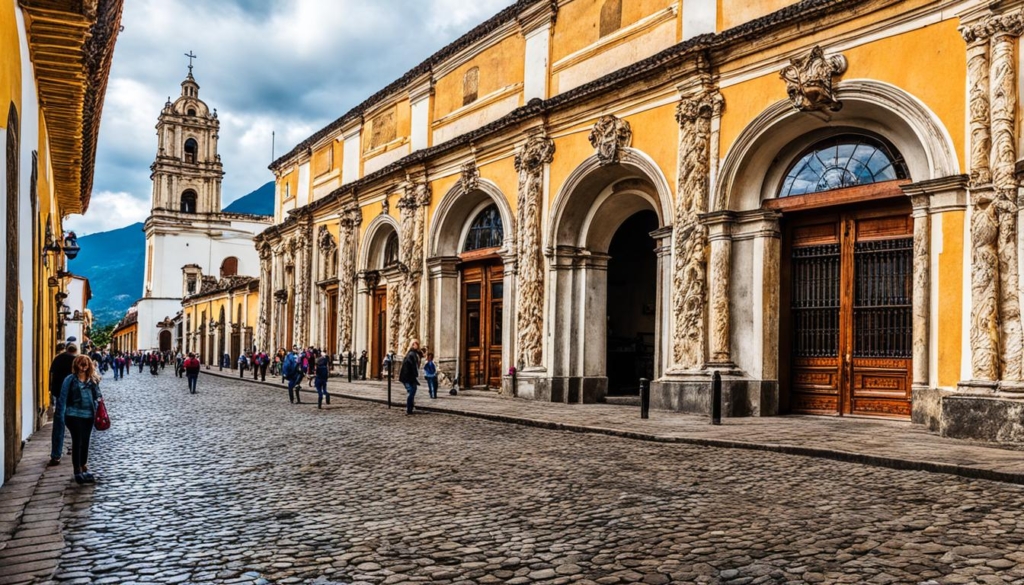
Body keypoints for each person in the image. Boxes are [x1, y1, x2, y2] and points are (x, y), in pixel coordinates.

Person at [56, 355, 102, 484]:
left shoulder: (92, 380)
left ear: (89, 366)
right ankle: (77, 470)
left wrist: (99, 402)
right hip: (73, 415)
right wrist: (60, 415)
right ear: (76, 365)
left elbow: (98, 395)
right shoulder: (70, 380)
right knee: (77, 441)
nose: (83, 367)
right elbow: (63, 397)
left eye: (85, 364)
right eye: (81, 364)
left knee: (86, 441)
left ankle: (83, 466)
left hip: (88, 415)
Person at [47, 342, 77, 466]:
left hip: (59, 395)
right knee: (76, 425)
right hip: (73, 397)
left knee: (59, 424)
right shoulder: (76, 360)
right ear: (75, 351)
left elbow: (51, 375)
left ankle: (56, 455)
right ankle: (77, 452)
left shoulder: (57, 359)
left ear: (66, 349)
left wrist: (52, 390)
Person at [398, 340, 421, 415]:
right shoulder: (411, 354)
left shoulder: (414, 353)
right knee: (411, 391)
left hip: (410, 376)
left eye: (417, 344)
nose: (417, 345)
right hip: (407, 376)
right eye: (415, 344)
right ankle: (409, 408)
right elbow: (411, 366)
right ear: (412, 345)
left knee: (413, 390)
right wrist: (414, 374)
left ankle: (410, 406)